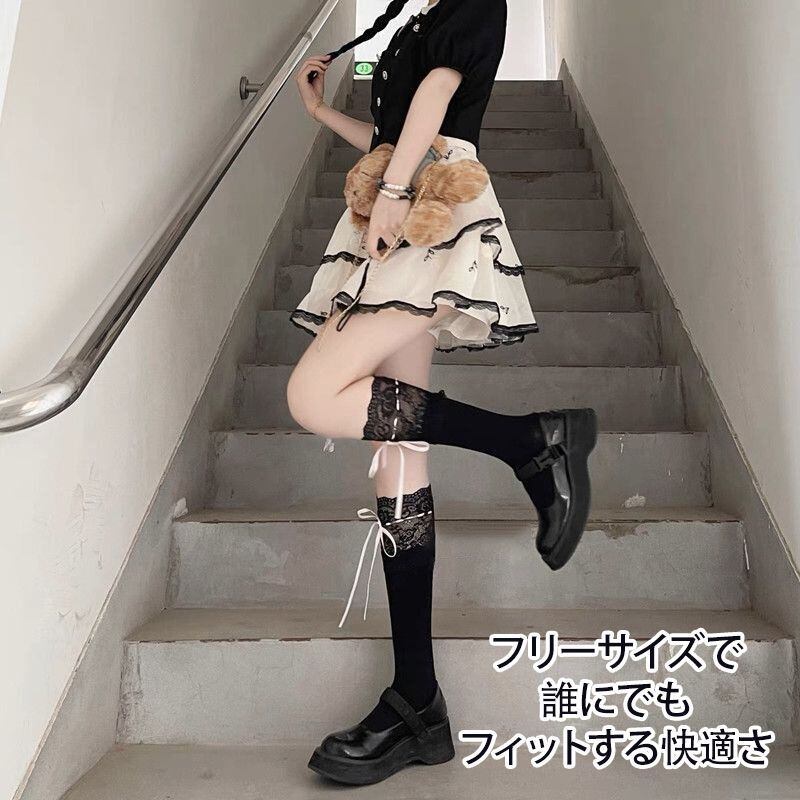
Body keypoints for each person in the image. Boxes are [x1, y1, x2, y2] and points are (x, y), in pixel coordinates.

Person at [289, 0, 597, 785]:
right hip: (405, 200)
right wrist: (323, 115)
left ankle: (530, 440)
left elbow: (437, 96)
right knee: (400, 461)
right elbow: (395, 131)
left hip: (427, 213)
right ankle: (416, 702)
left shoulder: (471, 4)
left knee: (313, 397)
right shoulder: (419, 18)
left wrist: (394, 193)